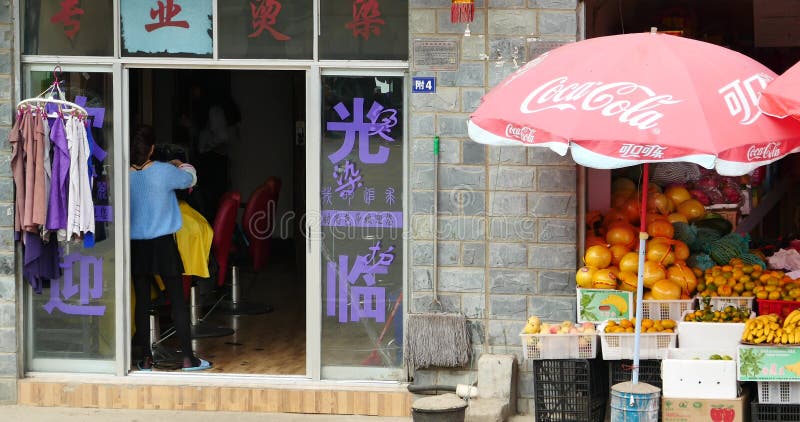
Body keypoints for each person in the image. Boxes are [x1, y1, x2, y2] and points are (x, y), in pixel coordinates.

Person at [129, 125, 211, 371]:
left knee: (141, 302)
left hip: (136, 246)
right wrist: (178, 164)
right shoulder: (164, 171)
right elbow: (191, 178)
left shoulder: (125, 175)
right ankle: (188, 358)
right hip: (163, 244)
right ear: (152, 149)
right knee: (177, 301)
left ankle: (145, 358)